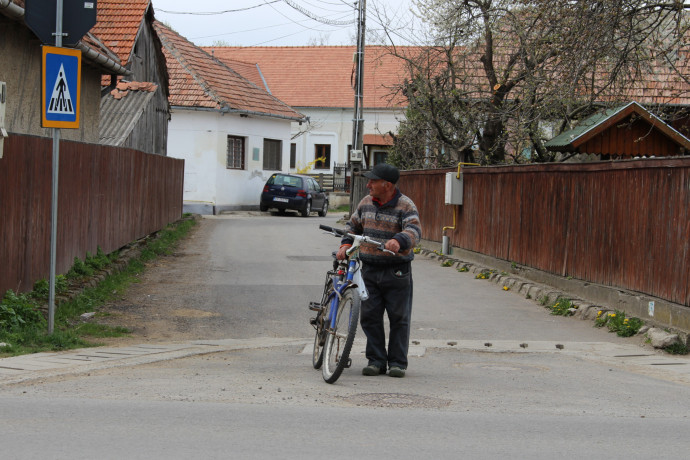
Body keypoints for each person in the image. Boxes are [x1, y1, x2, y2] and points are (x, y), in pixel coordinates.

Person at [336, 163, 421, 378]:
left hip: (397, 271)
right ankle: (376, 360)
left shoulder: (405, 205)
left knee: (399, 317)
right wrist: (345, 244)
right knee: (369, 317)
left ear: (388, 185)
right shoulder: (366, 203)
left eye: (373, 181)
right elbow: (353, 227)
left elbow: (414, 230)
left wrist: (399, 240)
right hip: (370, 270)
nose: (368, 185)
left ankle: (397, 363)